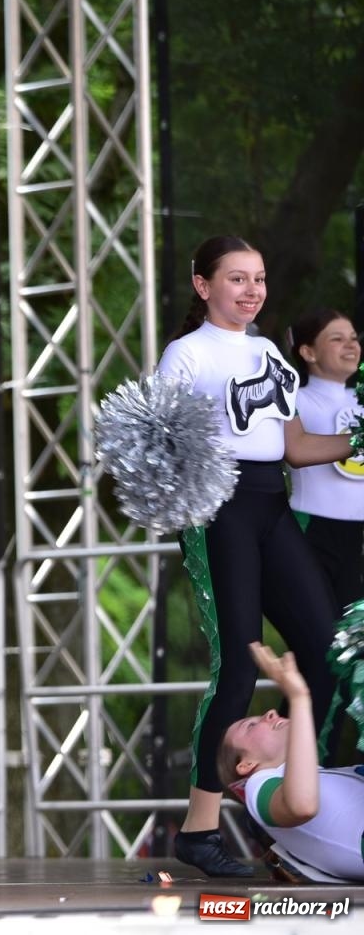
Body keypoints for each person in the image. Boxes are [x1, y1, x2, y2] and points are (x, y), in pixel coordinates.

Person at [157, 236, 353, 878]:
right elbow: (165, 449)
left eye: (260, 279)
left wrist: (358, 436)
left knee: (328, 652)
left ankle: (306, 805)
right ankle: (199, 828)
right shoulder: (185, 355)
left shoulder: (267, 349)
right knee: (238, 666)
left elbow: (294, 446)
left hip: (273, 502)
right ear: (203, 285)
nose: (251, 290)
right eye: (236, 278)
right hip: (222, 510)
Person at [217, 642, 364, 883]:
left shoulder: (320, 777)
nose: (270, 713)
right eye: (251, 725)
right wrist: (298, 697)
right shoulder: (259, 785)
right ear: (246, 764)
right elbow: (302, 805)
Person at [286, 309, 364, 612]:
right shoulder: (295, 399)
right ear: (308, 352)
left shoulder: (361, 400)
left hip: (358, 537)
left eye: (354, 339)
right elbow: (295, 451)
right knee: (322, 634)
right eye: (337, 339)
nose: (350, 345)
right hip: (313, 531)